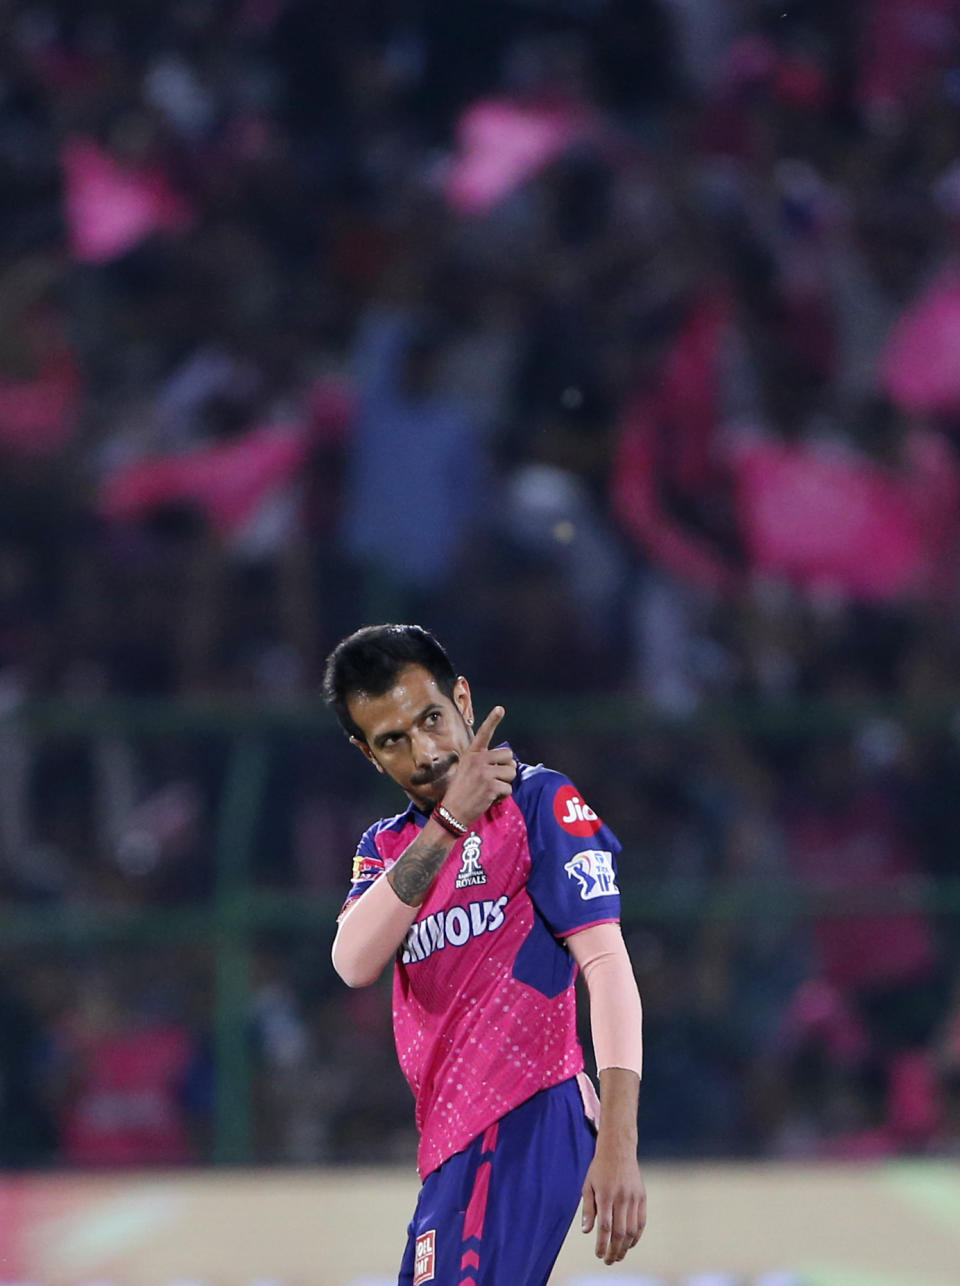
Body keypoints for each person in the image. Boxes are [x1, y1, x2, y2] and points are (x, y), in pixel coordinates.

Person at [325, 623, 646, 1285]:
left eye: (432, 718)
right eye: (393, 740)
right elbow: (353, 962)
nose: (424, 750)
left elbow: (608, 967)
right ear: (367, 754)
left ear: (464, 700)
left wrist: (619, 1139)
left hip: (524, 1114)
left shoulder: (539, 802)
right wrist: (447, 827)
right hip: (451, 1145)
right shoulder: (388, 849)